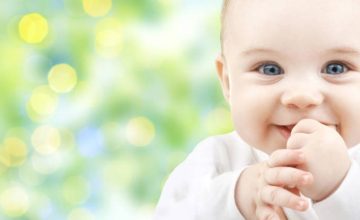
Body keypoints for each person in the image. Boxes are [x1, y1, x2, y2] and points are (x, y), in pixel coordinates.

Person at [154, 0, 360, 219]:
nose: (301, 96)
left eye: (336, 68)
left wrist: (341, 187)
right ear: (228, 82)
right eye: (270, 69)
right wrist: (238, 197)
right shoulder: (216, 161)